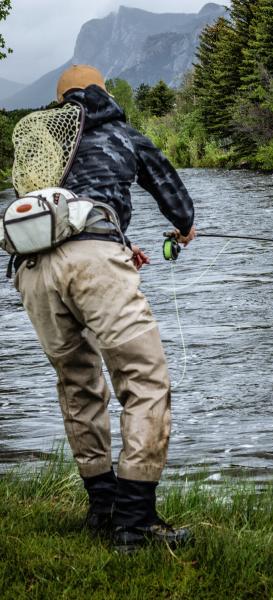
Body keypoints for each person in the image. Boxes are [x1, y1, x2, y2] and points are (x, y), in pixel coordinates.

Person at [12, 64, 196, 553]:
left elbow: (59, 209)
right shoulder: (122, 132)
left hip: (32, 269)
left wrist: (115, 241)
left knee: (78, 384)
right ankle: (135, 525)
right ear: (104, 93)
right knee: (145, 381)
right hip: (97, 263)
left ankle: (103, 509)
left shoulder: (45, 141)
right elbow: (173, 194)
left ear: (59, 103)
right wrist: (182, 226)